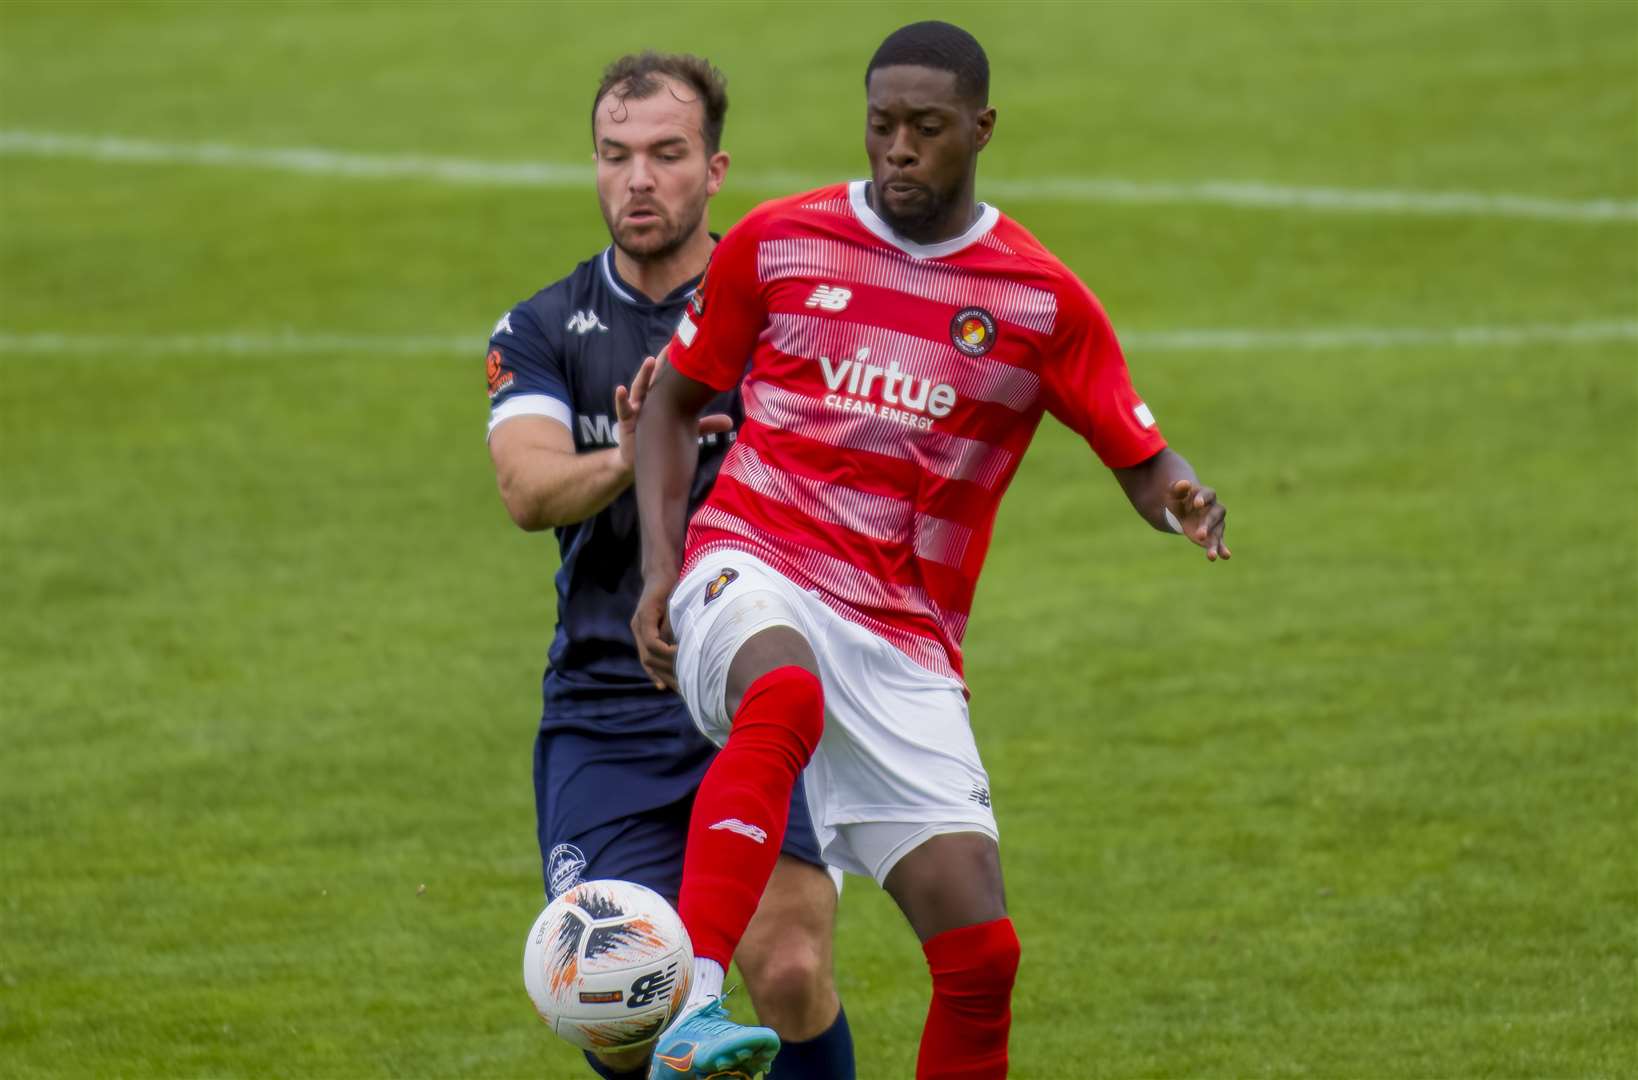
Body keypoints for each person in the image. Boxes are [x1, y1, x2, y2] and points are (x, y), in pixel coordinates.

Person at [631, 21, 1231, 1079]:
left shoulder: (1040, 300)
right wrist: (662, 572)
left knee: (981, 953)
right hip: (755, 563)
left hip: (903, 638)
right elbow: (673, 406)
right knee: (785, 698)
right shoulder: (777, 242)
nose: (898, 149)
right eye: (881, 125)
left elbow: (1135, 449)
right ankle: (692, 998)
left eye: (927, 128)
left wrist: (1178, 492)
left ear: (981, 130)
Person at [483, 51, 855, 1080]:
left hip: (752, 689)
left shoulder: (788, 315)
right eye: (615, 155)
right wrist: (640, 445)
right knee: (620, 1017)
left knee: (784, 968)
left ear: (716, 168)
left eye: (665, 154)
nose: (637, 179)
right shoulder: (545, 328)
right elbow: (526, 490)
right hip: (606, 705)